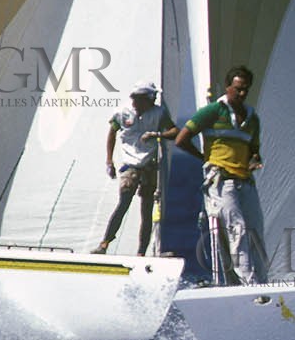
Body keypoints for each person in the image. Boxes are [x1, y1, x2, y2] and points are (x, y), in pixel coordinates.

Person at [174, 65, 267, 284]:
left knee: (255, 234)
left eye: (245, 89)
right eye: (237, 89)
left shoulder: (252, 119)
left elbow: (254, 152)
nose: (241, 93)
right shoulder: (213, 111)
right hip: (221, 181)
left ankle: (262, 283)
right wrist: (204, 158)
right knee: (237, 231)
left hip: (245, 182)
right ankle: (250, 285)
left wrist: (254, 160)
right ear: (228, 87)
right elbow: (181, 139)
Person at [95, 82, 176, 255]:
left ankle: (141, 251)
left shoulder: (158, 113)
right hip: (130, 165)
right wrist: (109, 160)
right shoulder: (123, 112)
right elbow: (112, 133)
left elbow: (174, 131)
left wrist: (157, 135)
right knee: (123, 203)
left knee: (146, 211)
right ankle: (104, 243)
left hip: (149, 165)